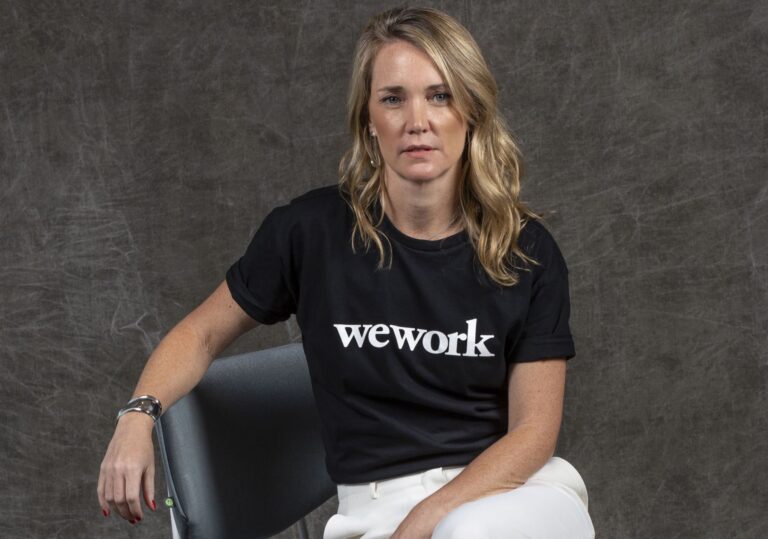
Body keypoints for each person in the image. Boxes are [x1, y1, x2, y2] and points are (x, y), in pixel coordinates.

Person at [97, 6, 595, 538]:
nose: (418, 121)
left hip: (510, 495)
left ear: (470, 111)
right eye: (393, 99)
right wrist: (138, 415)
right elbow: (201, 334)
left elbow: (533, 433)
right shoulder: (310, 233)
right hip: (375, 510)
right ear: (368, 120)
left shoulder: (526, 250)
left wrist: (426, 521)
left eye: (440, 95)